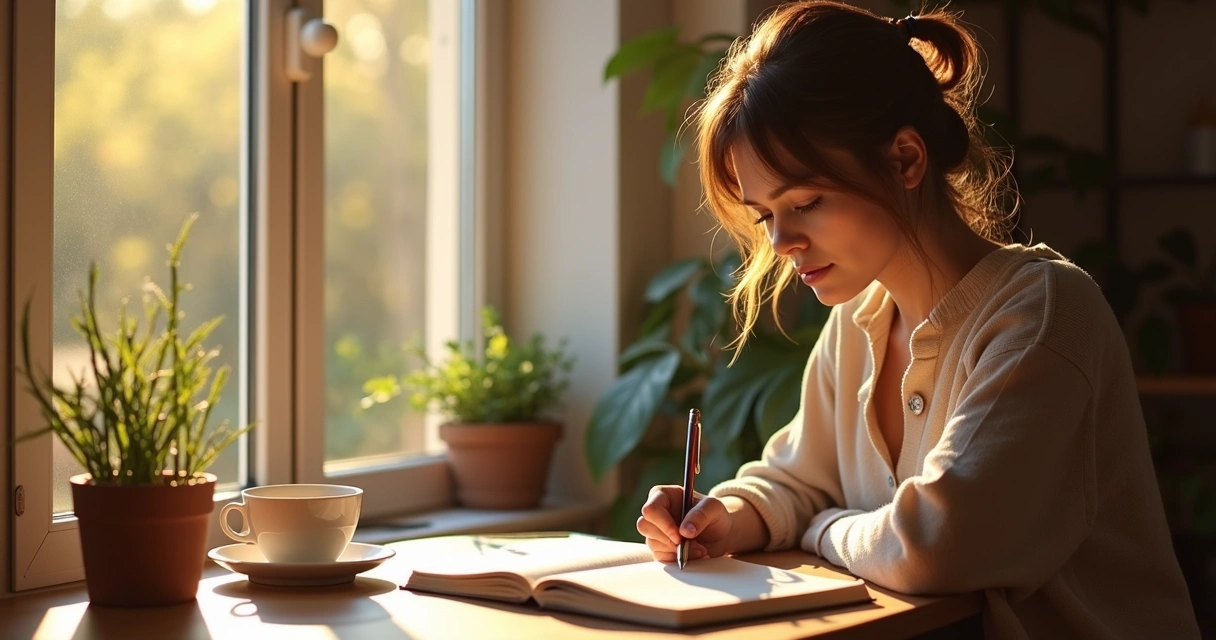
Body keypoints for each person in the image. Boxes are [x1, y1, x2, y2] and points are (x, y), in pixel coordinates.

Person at [635, 2, 1202, 637]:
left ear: (906, 159)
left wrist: (822, 529)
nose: (782, 241)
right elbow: (798, 479)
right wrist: (726, 516)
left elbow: (940, 541)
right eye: (766, 215)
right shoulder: (858, 321)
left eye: (807, 202)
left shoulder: (1043, 316)